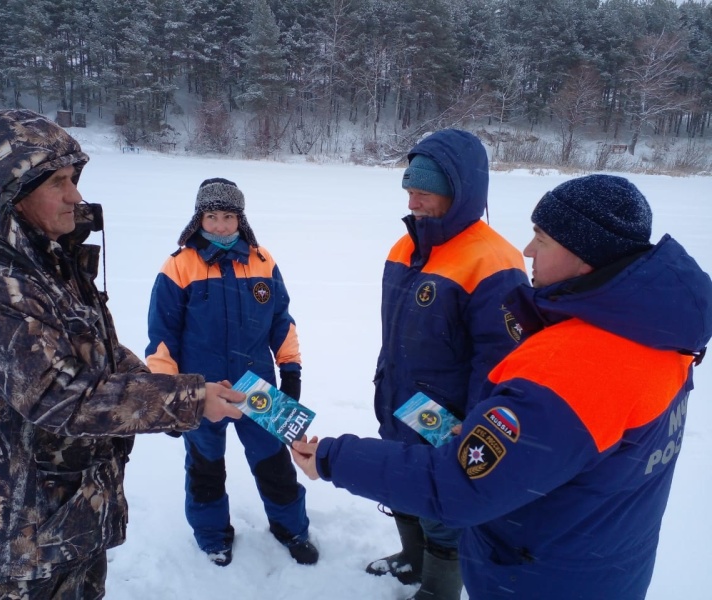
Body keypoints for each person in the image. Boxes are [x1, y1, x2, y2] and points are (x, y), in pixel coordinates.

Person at [292, 174, 712, 600]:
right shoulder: (656, 336)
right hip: (601, 563)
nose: (528, 250)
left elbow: (455, 487)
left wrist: (332, 458)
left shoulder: (570, 367)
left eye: (541, 238)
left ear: (584, 256)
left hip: (538, 580)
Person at [0, 109, 245, 600]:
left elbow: (99, 352)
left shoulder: (47, 258)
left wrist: (188, 394)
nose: (76, 195)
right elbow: (60, 395)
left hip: (72, 506)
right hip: (26, 526)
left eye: (74, 178)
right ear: (12, 192)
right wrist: (187, 401)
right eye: (58, 182)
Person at [364, 129, 528, 599]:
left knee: (443, 509)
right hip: (398, 401)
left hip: (449, 418)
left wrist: (474, 425)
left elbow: (500, 362)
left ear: (461, 192)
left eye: (426, 192)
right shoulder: (405, 246)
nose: (414, 201)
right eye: (409, 190)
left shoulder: (494, 260)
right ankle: (412, 560)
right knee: (402, 490)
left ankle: (438, 588)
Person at [145, 177, 318, 567]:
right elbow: (161, 340)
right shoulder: (178, 266)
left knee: (273, 462)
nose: (221, 226)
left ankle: (292, 529)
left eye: (228, 216)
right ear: (198, 219)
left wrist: (290, 370)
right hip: (203, 392)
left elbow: (281, 321)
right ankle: (213, 536)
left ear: (241, 219)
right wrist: (171, 397)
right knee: (206, 467)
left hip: (258, 388)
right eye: (212, 216)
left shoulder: (262, 260)